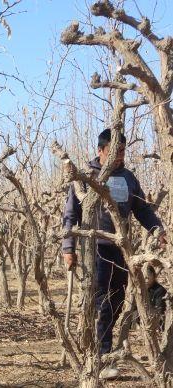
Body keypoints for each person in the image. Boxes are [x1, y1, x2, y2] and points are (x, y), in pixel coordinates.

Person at [62, 128, 167, 379]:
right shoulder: (86, 176)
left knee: (118, 300)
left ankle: (105, 352)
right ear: (101, 150)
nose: (119, 156)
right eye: (114, 152)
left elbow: (142, 209)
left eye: (122, 151)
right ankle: (99, 357)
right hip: (94, 248)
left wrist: (157, 229)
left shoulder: (129, 178)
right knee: (100, 302)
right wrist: (68, 248)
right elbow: (70, 214)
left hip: (120, 248)